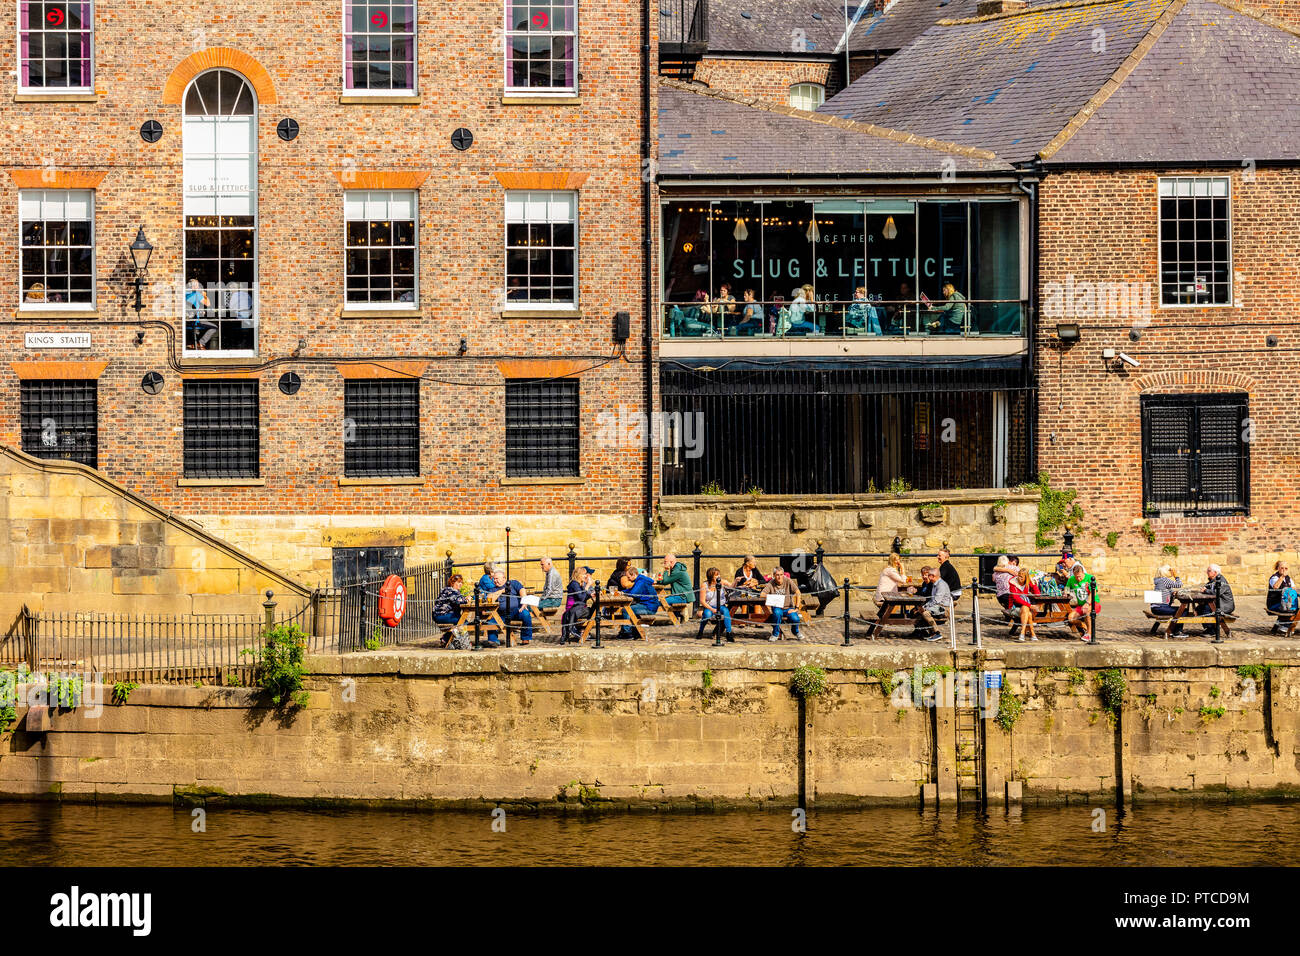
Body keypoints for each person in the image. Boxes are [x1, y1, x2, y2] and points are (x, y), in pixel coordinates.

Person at [486, 568, 533, 646]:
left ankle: (525, 638)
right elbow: (489, 599)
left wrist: (524, 601)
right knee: (490, 622)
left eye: (497, 578)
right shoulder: (493, 589)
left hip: (517, 610)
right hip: (502, 614)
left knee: (526, 614)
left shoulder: (513, 583)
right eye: (494, 579)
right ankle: (493, 641)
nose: (495, 580)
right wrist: (501, 591)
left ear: (504, 578)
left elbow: (522, 590)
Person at [759, 566, 802, 641]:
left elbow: (798, 592)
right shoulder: (771, 583)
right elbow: (762, 594)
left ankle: (795, 631)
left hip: (789, 607)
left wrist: (796, 608)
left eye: (781, 574)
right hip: (777, 607)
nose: (779, 577)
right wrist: (772, 597)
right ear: (774, 575)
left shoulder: (788, 581)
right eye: (777, 575)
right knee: (777, 613)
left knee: (795, 618)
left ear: (783, 575)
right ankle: (775, 634)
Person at [1193, 565, 1234, 638]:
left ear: (1215, 572)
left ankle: (1211, 631)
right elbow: (1207, 587)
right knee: (1199, 608)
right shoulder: (1213, 580)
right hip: (1217, 604)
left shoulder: (1221, 581)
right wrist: (1204, 588)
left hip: (1225, 605)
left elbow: (1217, 593)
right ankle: (1209, 628)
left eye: (1209, 571)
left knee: (1206, 608)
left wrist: (1206, 590)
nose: (1207, 572)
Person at [618, 566, 660, 638]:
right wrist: (622, 592)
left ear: (634, 575)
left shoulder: (641, 581)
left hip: (649, 607)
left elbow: (634, 593)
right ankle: (634, 632)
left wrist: (624, 593)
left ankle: (627, 633)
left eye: (629, 577)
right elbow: (631, 589)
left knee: (626, 610)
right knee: (629, 609)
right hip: (646, 605)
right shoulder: (639, 580)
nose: (628, 579)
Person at [914, 565, 951, 642]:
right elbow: (931, 599)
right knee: (918, 611)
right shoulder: (934, 584)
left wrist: (924, 608)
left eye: (928, 575)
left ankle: (937, 633)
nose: (927, 577)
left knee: (925, 613)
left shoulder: (940, 585)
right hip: (937, 606)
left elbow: (936, 601)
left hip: (943, 608)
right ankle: (928, 632)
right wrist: (923, 607)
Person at [561, 566, 597, 643]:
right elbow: (581, 598)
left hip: (578, 607)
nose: (586, 576)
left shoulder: (578, 584)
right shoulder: (574, 584)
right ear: (579, 575)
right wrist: (587, 586)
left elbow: (582, 598)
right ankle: (583, 632)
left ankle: (583, 631)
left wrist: (590, 595)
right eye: (584, 574)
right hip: (572, 608)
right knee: (593, 612)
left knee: (593, 609)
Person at [697, 567, 733, 641]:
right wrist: (712, 609)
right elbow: (702, 601)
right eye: (716, 575)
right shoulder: (705, 585)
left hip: (721, 606)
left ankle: (729, 633)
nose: (718, 576)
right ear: (711, 576)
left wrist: (736, 581)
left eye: (719, 574)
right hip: (709, 606)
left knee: (726, 612)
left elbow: (732, 587)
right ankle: (700, 631)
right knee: (707, 615)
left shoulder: (722, 582)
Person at [1065, 561, 1096, 642]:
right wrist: (1066, 593)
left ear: (1083, 573)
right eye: (1076, 577)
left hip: (1093, 603)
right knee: (1070, 618)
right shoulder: (1072, 579)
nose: (1078, 579)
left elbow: (1093, 593)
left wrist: (1087, 603)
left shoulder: (1089, 578)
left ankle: (1089, 634)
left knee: (1087, 611)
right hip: (1080, 605)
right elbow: (1067, 588)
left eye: (1080, 577)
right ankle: (1086, 627)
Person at [1008, 567, 1039, 642]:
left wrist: (1033, 583)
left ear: (1026, 578)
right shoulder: (1013, 583)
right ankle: (1032, 633)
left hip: (1024, 607)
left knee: (1026, 610)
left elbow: (1037, 594)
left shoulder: (1028, 583)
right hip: (1014, 607)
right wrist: (1030, 605)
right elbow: (1016, 598)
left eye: (1021, 576)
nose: (1019, 578)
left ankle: (1022, 634)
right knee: (1028, 613)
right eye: (1018, 575)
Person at [185, 278, 218, 349]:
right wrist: (204, 294)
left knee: (200, 327)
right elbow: (208, 304)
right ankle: (201, 343)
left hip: (186, 320)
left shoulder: (185, 293)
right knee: (214, 327)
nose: (199, 287)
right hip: (194, 320)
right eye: (198, 285)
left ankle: (193, 343)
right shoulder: (197, 294)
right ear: (194, 286)